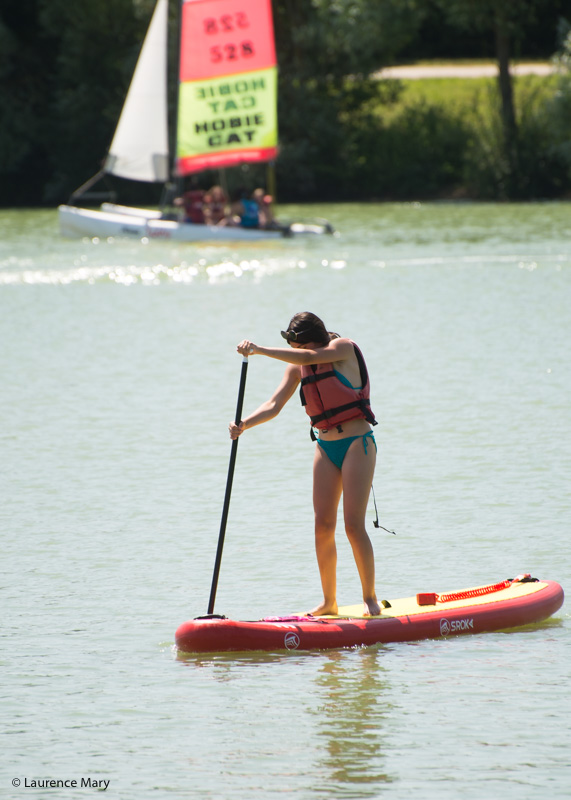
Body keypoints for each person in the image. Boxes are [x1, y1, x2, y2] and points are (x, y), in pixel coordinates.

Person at [229, 312, 381, 617]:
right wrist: (243, 424)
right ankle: (329, 602)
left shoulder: (343, 348)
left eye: (299, 348)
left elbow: (312, 356)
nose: (298, 355)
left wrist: (259, 350)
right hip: (325, 447)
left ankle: (369, 598)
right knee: (322, 526)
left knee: (353, 526)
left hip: (357, 444)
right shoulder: (299, 364)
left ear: (313, 340)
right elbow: (273, 405)